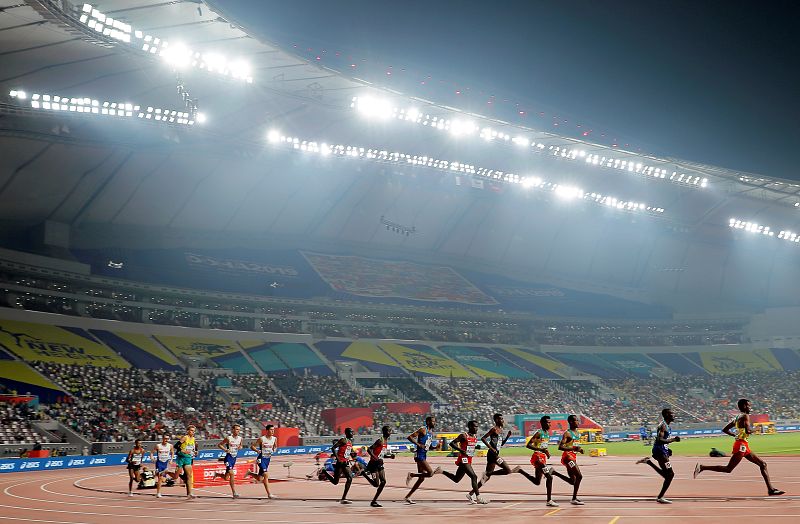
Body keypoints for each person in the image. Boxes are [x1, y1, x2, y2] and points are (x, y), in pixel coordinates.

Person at [694, 399, 784, 496]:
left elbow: (725, 429)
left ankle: (771, 490)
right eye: (749, 405)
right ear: (744, 406)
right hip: (741, 445)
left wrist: (735, 435)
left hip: (743, 444)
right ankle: (702, 467)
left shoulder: (737, 417)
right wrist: (757, 429)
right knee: (728, 469)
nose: (750, 408)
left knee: (763, 464)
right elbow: (748, 431)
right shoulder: (745, 416)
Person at [517, 415, 571, 507]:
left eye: (550, 422)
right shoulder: (539, 433)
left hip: (542, 457)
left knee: (537, 481)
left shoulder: (547, 433)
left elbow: (543, 446)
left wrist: (546, 452)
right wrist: (542, 451)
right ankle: (549, 500)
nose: (550, 424)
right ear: (542, 423)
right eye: (547, 422)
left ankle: (520, 470)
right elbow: (528, 445)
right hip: (537, 458)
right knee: (549, 477)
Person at [636, 408, 681, 503]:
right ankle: (660, 497)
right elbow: (660, 440)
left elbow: (663, 441)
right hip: (659, 451)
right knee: (670, 475)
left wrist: (668, 449)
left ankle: (648, 462)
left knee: (668, 475)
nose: (674, 415)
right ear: (666, 415)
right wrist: (673, 440)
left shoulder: (667, 426)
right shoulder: (663, 426)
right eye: (671, 414)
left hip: (662, 451)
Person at [441, 420, 488, 504]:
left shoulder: (474, 436)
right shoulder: (464, 436)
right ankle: (478, 497)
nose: (476, 428)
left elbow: (470, 447)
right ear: (470, 427)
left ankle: (441, 471)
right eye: (474, 426)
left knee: (456, 479)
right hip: (463, 459)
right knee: (474, 476)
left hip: (469, 459)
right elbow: (452, 443)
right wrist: (461, 450)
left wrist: (476, 447)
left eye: (477, 426)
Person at [404, 415, 442, 505]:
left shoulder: (430, 432)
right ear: (428, 422)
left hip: (424, 454)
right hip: (419, 454)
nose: (434, 423)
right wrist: (418, 444)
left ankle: (407, 497)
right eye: (433, 421)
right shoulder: (423, 429)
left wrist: (435, 447)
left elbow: (428, 447)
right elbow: (409, 437)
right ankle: (412, 475)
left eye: (434, 421)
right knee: (430, 473)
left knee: (421, 479)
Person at [475, 413, 513, 494]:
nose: (502, 420)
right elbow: (483, 438)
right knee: (508, 470)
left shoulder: (501, 430)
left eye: (502, 419)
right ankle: (488, 473)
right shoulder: (494, 429)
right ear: (496, 420)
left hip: (495, 453)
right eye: (500, 419)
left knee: (486, 478)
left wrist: (507, 437)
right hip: (492, 454)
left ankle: (471, 494)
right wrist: (491, 448)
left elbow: (501, 444)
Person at [361, 425, 396, 507]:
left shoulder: (385, 442)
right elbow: (369, 449)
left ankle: (374, 501)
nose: (390, 432)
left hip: (379, 463)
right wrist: (375, 457)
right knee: (376, 484)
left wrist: (390, 456)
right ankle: (364, 474)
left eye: (390, 431)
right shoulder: (380, 441)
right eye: (389, 431)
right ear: (384, 432)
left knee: (383, 482)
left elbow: (381, 455)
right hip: (373, 465)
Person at [322, 427, 355, 504]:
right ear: (347, 433)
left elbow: (347, 451)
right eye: (351, 432)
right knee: (336, 481)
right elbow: (333, 448)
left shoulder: (350, 441)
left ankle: (344, 498)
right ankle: (325, 472)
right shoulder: (343, 440)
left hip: (345, 462)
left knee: (348, 479)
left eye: (353, 432)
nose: (353, 433)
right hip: (340, 462)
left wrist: (352, 456)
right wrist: (338, 458)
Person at [558, 414, 585, 505]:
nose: (578, 422)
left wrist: (579, 449)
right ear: (570, 422)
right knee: (579, 476)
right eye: (575, 420)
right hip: (568, 457)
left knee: (572, 481)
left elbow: (574, 446)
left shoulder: (577, 433)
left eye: (578, 420)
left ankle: (554, 472)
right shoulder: (567, 433)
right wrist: (574, 448)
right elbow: (560, 447)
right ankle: (574, 499)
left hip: (573, 457)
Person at [246, 424, 278, 498]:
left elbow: (275, 446)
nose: (272, 431)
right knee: (266, 475)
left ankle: (250, 473)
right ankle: (269, 494)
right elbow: (252, 446)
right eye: (271, 430)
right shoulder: (262, 439)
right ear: (267, 430)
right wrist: (257, 450)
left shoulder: (274, 439)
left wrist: (274, 450)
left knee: (260, 478)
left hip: (267, 459)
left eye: (273, 430)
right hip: (261, 459)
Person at [214, 424, 244, 498]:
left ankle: (217, 474)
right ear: (233, 430)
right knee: (232, 474)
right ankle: (234, 493)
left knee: (226, 478)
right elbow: (219, 445)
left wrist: (240, 447)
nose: (238, 431)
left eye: (239, 430)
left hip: (234, 458)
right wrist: (225, 449)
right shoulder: (228, 438)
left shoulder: (240, 438)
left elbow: (241, 446)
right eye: (236, 429)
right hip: (228, 458)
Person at [175, 425, 198, 499]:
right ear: (188, 431)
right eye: (191, 430)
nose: (192, 432)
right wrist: (182, 450)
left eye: (193, 431)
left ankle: (189, 494)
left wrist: (195, 452)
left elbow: (193, 447)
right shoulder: (185, 437)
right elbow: (176, 446)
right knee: (175, 476)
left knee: (189, 476)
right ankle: (168, 472)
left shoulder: (193, 439)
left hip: (188, 458)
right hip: (181, 458)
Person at [151, 434, 174, 499]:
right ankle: (158, 493)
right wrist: (152, 458)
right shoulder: (158, 446)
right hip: (159, 463)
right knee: (160, 478)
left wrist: (171, 460)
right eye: (165, 439)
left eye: (167, 439)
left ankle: (155, 473)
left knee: (163, 480)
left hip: (165, 463)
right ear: (163, 439)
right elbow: (152, 452)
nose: (166, 440)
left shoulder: (170, 446)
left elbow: (172, 452)